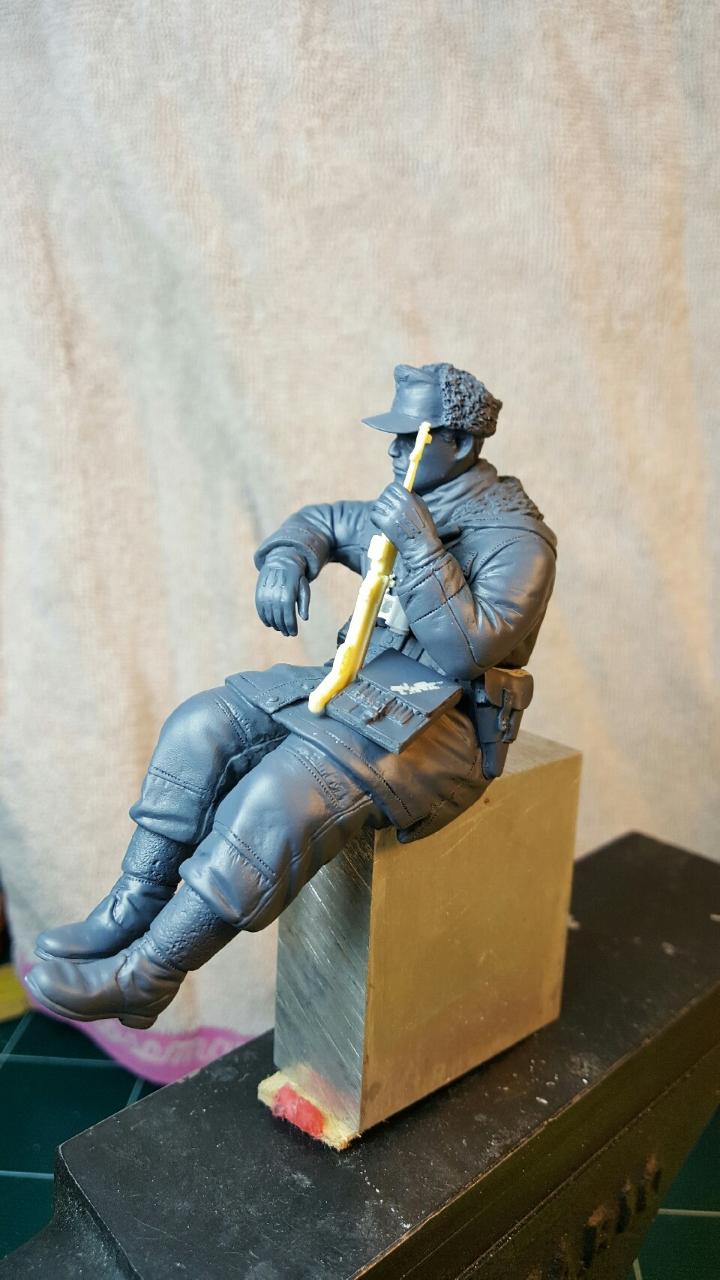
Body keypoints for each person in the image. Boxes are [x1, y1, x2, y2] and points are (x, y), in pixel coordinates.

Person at [26, 362, 557, 1028]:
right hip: (360, 688)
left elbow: (465, 650)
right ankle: (131, 907)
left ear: (461, 444)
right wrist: (287, 558)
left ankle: (149, 974)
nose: (395, 453)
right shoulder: (418, 500)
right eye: (393, 437)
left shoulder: (515, 540)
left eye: (412, 438)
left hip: (442, 729)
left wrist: (421, 548)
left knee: (280, 791)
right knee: (202, 726)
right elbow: (323, 521)